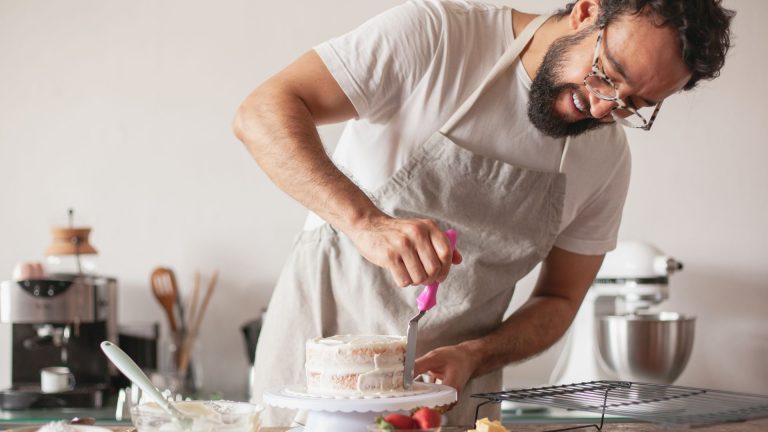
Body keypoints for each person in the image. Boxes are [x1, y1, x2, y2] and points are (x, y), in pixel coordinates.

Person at [233, 0, 734, 426]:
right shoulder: (441, 37)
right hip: (314, 376)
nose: (605, 108)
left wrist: (475, 355)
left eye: (634, 104)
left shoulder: (605, 161)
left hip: (449, 403)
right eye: (609, 75)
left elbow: (559, 299)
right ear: (587, 11)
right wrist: (366, 222)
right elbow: (263, 110)